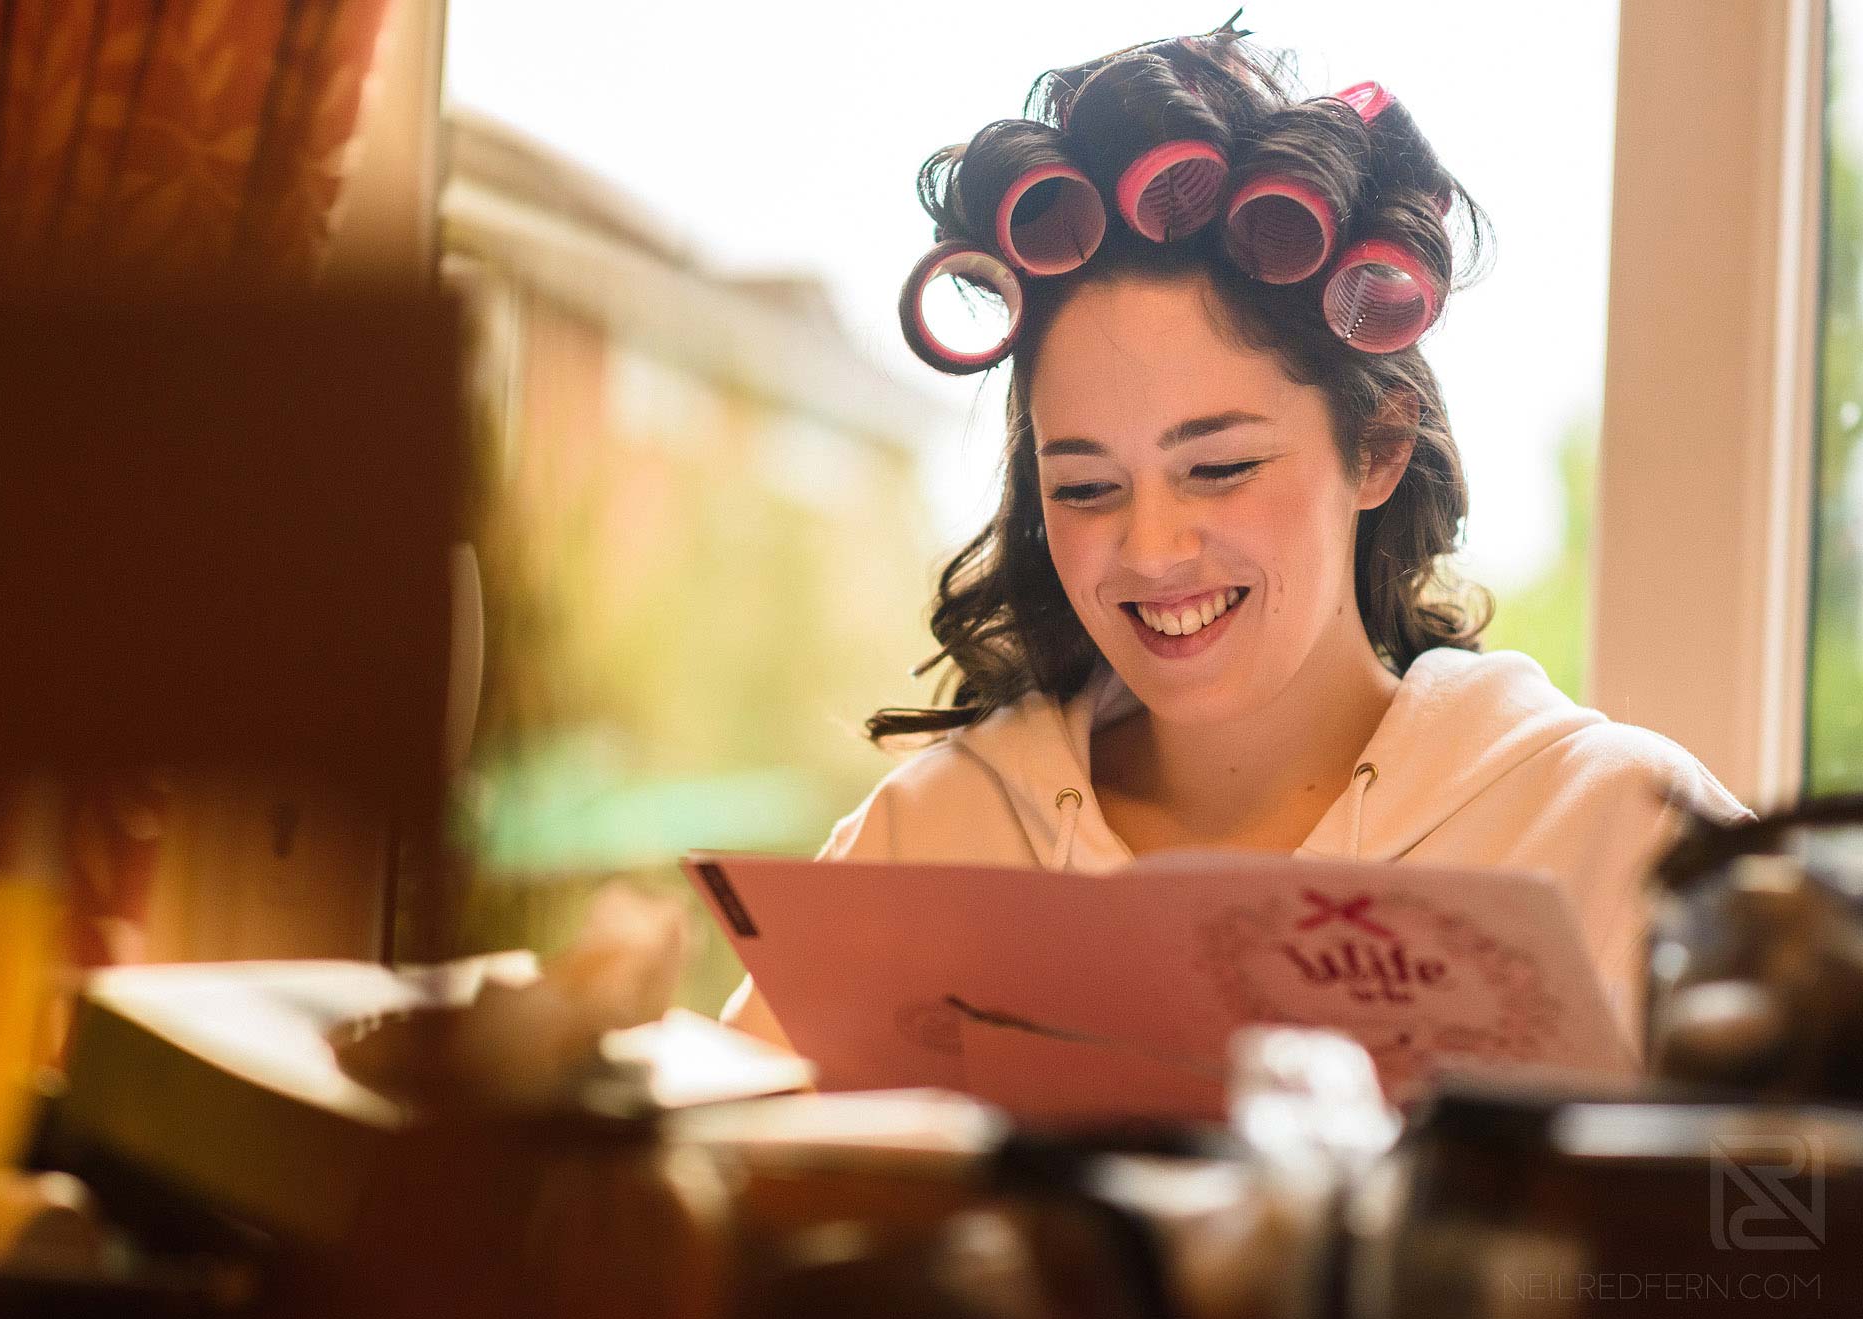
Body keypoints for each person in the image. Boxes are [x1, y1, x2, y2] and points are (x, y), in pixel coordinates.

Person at [724, 18, 1750, 1053]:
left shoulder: (1613, 830)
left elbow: (1788, 1205)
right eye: (1083, 486)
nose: (1154, 550)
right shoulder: (931, 841)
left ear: (1376, 448)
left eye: (1218, 468)